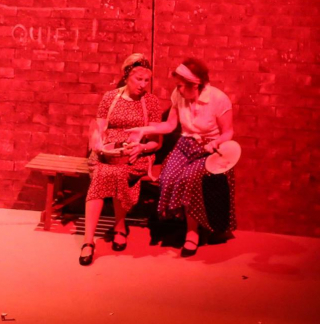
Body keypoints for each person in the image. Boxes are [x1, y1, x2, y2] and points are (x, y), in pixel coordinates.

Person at [126, 58, 235, 257]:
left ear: (195, 84)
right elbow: (169, 126)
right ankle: (179, 221)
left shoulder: (218, 99)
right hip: (185, 145)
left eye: (181, 85)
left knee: (189, 178)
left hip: (210, 150)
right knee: (167, 176)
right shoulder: (179, 95)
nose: (178, 89)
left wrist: (215, 143)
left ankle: (192, 233)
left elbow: (228, 132)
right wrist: (143, 130)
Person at [79, 54, 163, 266]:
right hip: (107, 153)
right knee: (102, 173)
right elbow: (98, 129)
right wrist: (98, 145)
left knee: (119, 172)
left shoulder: (151, 102)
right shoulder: (110, 98)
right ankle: (88, 241)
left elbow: (156, 142)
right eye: (138, 79)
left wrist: (142, 147)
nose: (143, 85)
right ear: (127, 77)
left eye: (146, 80)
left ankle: (119, 226)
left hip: (136, 154)